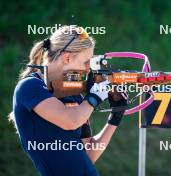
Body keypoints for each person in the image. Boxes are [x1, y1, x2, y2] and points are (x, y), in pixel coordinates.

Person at [9, 25, 127, 176]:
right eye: (86, 62)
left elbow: (88, 155)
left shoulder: (71, 90)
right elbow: (71, 120)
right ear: (67, 58)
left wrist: (115, 117)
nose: (88, 69)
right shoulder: (29, 87)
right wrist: (94, 96)